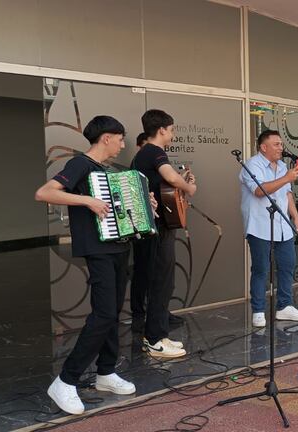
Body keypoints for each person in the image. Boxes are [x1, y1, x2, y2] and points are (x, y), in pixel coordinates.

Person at [36, 116, 144, 414]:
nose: (123, 144)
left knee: (111, 313)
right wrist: (87, 202)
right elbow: (44, 193)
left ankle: (106, 372)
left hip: (118, 247)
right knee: (104, 313)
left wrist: (144, 206)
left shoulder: (104, 171)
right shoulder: (80, 165)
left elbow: (117, 209)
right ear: (106, 137)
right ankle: (65, 381)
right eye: (120, 138)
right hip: (98, 250)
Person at [131, 109, 196, 359]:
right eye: (171, 129)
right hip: (158, 228)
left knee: (159, 280)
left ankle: (159, 335)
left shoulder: (143, 155)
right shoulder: (155, 151)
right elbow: (171, 178)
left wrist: (180, 182)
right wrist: (189, 186)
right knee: (161, 281)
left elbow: (163, 183)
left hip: (154, 226)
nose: (172, 134)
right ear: (161, 130)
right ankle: (155, 339)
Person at [240, 130, 298, 328]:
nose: (281, 147)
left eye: (281, 144)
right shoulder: (252, 164)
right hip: (259, 224)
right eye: (277, 144)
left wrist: (295, 216)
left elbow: (287, 194)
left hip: (282, 224)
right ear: (264, 147)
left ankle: (285, 306)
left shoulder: (281, 166)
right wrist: (287, 177)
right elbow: (260, 191)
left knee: (287, 264)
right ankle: (259, 310)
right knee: (261, 268)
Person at [129, 131, 153, 332]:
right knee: (142, 270)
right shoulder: (135, 167)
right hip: (140, 227)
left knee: (155, 272)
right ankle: (138, 312)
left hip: (156, 226)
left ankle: (155, 311)